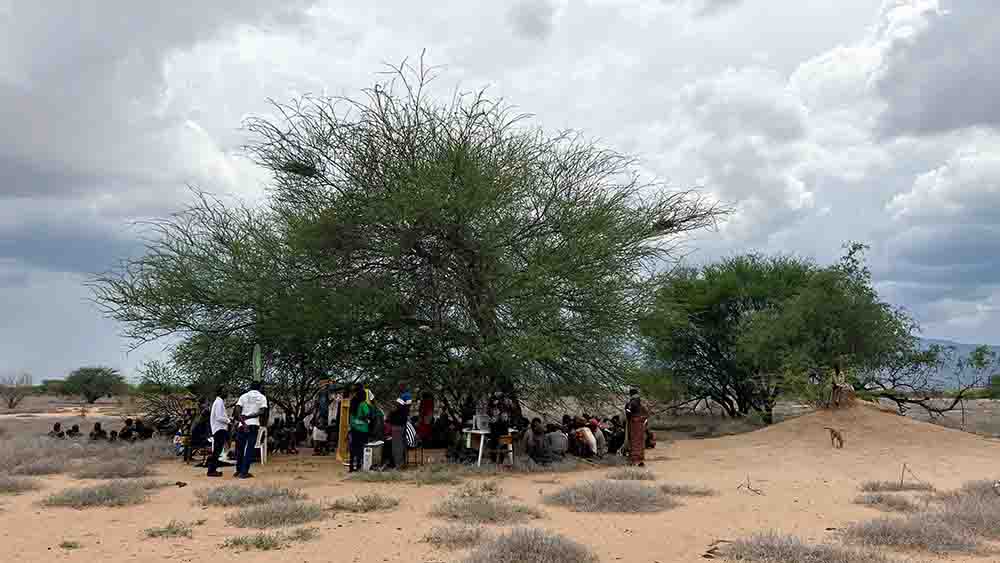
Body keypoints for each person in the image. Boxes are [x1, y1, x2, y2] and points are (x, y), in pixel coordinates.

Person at [233, 381, 268, 479]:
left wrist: (243, 422)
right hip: (253, 425)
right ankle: (244, 472)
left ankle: (238, 471)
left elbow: (237, 410)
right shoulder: (262, 397)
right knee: (249, 449)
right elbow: (262, 411)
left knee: (240, 448)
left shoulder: (243, 396)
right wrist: (250, 416)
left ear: (250, 387)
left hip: (242, 425)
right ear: (260, 387)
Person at [207, 388, 231, 477]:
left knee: (218, 450)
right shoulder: (219, 402)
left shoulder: (219, 402)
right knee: (217, 451)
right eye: (225, 391)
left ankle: (212, 469)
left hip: (219, 428)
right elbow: (219, 417)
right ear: (221, 392)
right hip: (219, 429)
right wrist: (228, 421)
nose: (227, 393)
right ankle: (211, 470)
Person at [348, 384, 372, 472]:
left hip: (354, 428)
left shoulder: (353, 402)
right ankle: (358, 466)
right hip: (363, 429)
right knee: (361, 448)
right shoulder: (363, 404)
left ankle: (351, 466)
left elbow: (351, 416)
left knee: (353, 447)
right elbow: (367, 414)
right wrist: (366, 419)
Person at [389, 382, 412, 469]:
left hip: (397, 424)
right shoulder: (408, 396)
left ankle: (398, 464)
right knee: (402, 444)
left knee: (396, 445)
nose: (399, 388)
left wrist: (391, 410)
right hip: (402, 423)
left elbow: (395, 408)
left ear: (403, 387)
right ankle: (402, 463)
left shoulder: (404, 396)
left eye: (400, 386)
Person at [625, 388, 648, 466]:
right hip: (640, 425)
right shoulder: (640, 403)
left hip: (634, 424)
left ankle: (634, 460)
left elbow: (628, 412)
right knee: (640, 441)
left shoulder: (632, 403)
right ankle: (640, 460)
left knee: (634, 441)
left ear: (630, 394)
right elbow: (646, 414)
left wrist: (631, 418)